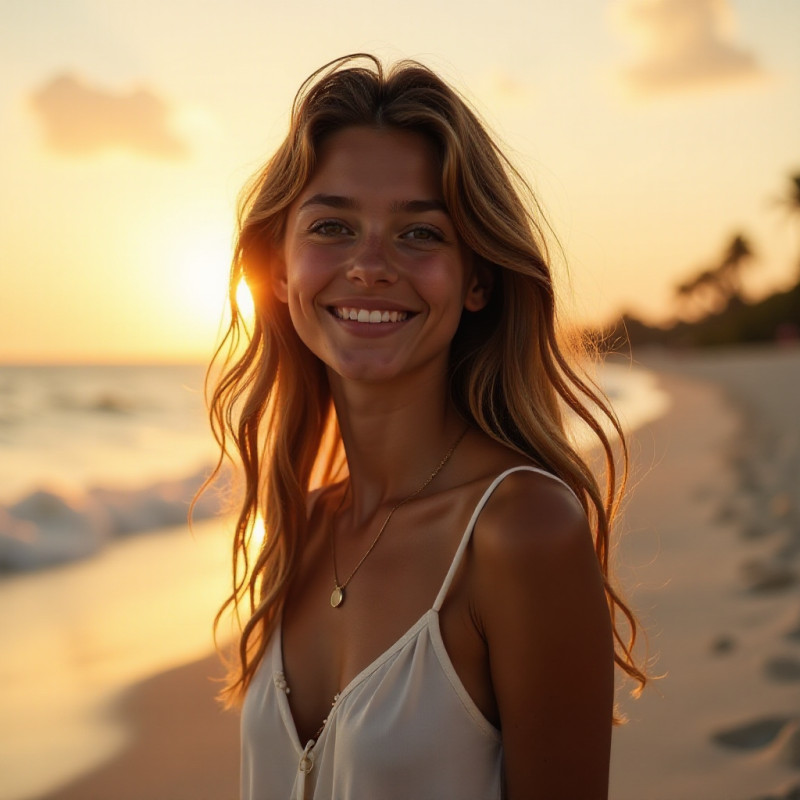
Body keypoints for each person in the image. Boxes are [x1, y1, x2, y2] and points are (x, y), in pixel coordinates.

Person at [203, 53, 646, 799]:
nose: (371, 265)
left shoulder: (522, 528)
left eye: (420, 235)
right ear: (278, 273)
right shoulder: (301, 528)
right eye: (333, 226)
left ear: (476, 279)